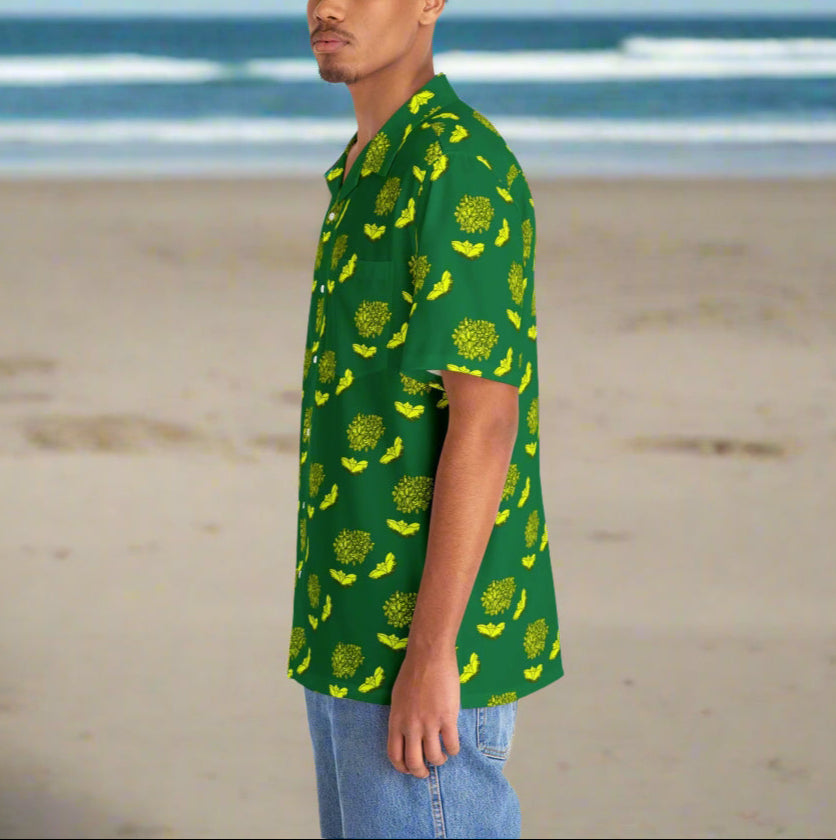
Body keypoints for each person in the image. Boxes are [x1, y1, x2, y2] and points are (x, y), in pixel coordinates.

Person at [287, 1, 564, 837]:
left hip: (425, 646)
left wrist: (431, 654)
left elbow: (487, 421)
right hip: (346, 621)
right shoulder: (371, 163)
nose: (327, 7)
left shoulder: (456, 166)